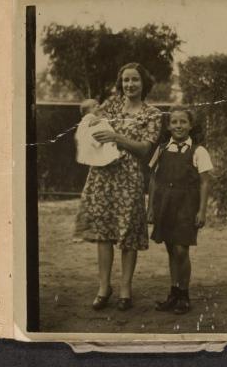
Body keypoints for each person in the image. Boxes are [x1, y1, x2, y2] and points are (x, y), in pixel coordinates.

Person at [74, 62, 162, 311]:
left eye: (135, 80)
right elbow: (89, 124)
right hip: (102, 174)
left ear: (144, 84)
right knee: (103, 232)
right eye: (125, 80)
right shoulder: (110, 106)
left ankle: (125, 288)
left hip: (129, 177)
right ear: (120, 83)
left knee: (127, 233)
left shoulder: (152, 114)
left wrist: (116, 137)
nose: (130, 85)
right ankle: (104, 287)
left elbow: (145, 149)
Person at [148, 105, 213, 314]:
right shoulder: (162, 149)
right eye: (174, 122)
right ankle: (174, 293)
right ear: (168, 126)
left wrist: (202, 211)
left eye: (183, 121)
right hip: (165, 206)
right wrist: (150, 208)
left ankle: (184, 295)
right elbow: (153, 180)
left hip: (186, 206)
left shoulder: (198, 151)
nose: (178, 126)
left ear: (190, 125)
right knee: (170, 249)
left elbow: (205, 182)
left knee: (181, 250)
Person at [74, 98, 120, 167]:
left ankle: (113, 158)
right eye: (94, 106)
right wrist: (101, 117)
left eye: (98, 104)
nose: (98, 106)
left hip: (104, 137)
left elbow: (108, 120)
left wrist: (105, 116)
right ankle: (112, 159)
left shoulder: (97, 115)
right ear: (87, 111)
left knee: (108, 147)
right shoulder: (88, 117)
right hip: (95, 138)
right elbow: (92, 122)